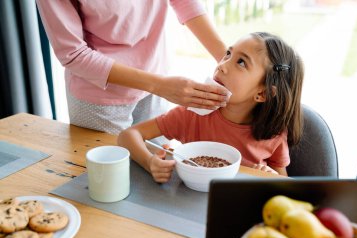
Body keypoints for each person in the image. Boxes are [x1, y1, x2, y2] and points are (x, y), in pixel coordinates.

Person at [118, 32, 304, 181]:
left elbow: (284, 186)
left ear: (262, 94)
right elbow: (128, 135)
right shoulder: (193, 113)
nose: (222, 65)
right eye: (228, 54)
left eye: (241, 62)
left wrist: (269, 178)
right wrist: (149, 162)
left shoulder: (274, 134)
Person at [36, 1, 229, 135]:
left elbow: (185, 2)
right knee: (105, 185)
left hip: (156, 80)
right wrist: (160, 85)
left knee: (158, 170)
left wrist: (227, 60)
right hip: (99, 100)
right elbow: (73, 54)